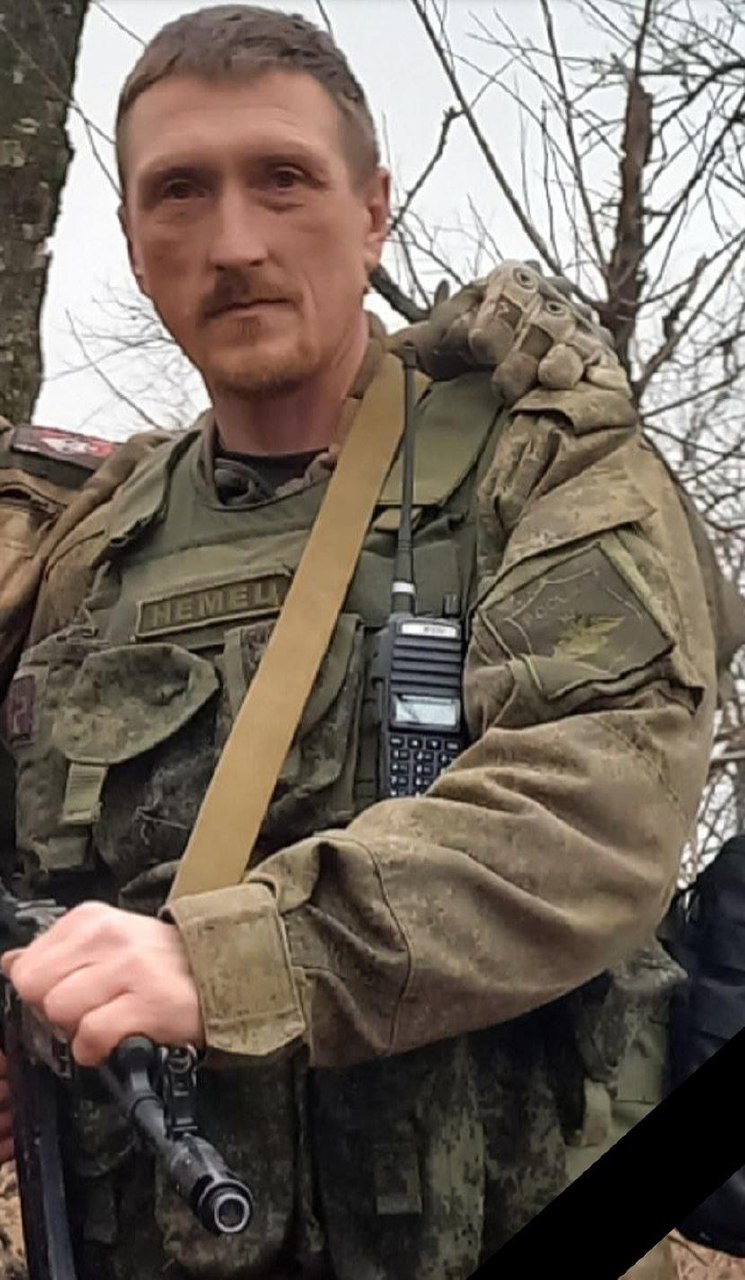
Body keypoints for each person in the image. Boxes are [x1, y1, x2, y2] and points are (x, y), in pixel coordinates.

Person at [0, 6, 741, 1278]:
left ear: (373, 210)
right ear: (129, 241)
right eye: (180, 191)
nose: (236, 242)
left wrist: (227, 961)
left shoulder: (542, 468)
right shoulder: (85, 546)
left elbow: (589, 811)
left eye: (283, 178)